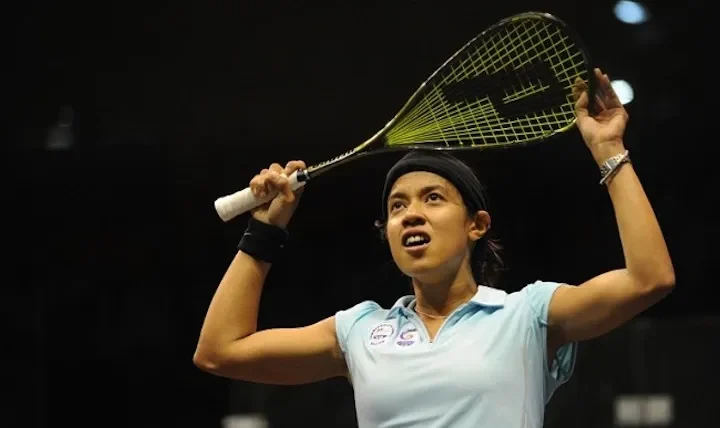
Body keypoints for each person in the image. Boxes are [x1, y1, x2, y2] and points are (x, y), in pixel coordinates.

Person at [193, 68, 675, 427]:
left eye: (433, 198)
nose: (411, 214)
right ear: (388, 233)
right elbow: (219, 351)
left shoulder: (527, 317)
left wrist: (609, 151)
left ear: (476, 225)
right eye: (397, 206)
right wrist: (265, 230)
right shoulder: (360, 330)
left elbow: (649, 279)